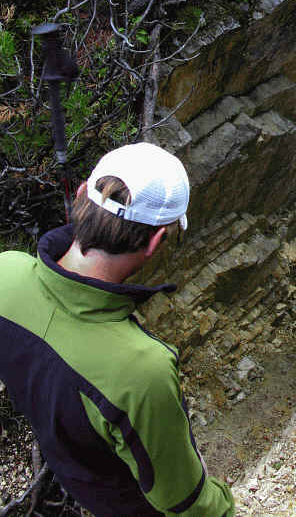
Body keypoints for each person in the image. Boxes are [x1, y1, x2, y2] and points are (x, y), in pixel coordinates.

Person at [0, 143, 234, 517]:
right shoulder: (141, 369)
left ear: (81, 194)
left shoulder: (6, 271)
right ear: (156, 241)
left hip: (77, 475)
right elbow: (186, 505)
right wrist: (220, 498)